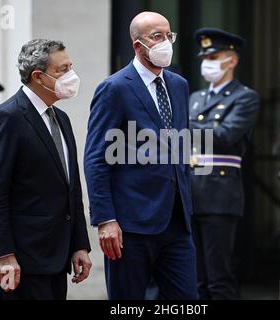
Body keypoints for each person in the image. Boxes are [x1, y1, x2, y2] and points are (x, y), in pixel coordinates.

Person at [84, 11, 197, 299]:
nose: (166, 43)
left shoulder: (178, 85)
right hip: (130, 224)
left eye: (168, 35)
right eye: (157, 37)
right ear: (137, 45)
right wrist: (105, 218)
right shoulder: (115, 88)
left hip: (176, 221)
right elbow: (96, 157)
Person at [0, 39, 92, 300]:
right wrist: (3, 254)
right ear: (38, 76)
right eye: (63, 70)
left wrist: (80, 245)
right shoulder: (7, 118)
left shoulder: (60, 118)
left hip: (57, 256)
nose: (71, 75)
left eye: (70, 66)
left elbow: (71, 188)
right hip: (21, 260)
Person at [189, 28, 259, 299]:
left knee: (219, 277)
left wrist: (184, 123)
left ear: (232, 60)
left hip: (219, 194)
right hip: (192, 191)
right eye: (205, 57)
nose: (207, 62)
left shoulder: (244, 97)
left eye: (214, 56)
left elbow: (226, 136)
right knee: (196, 278)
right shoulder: (195, 98)